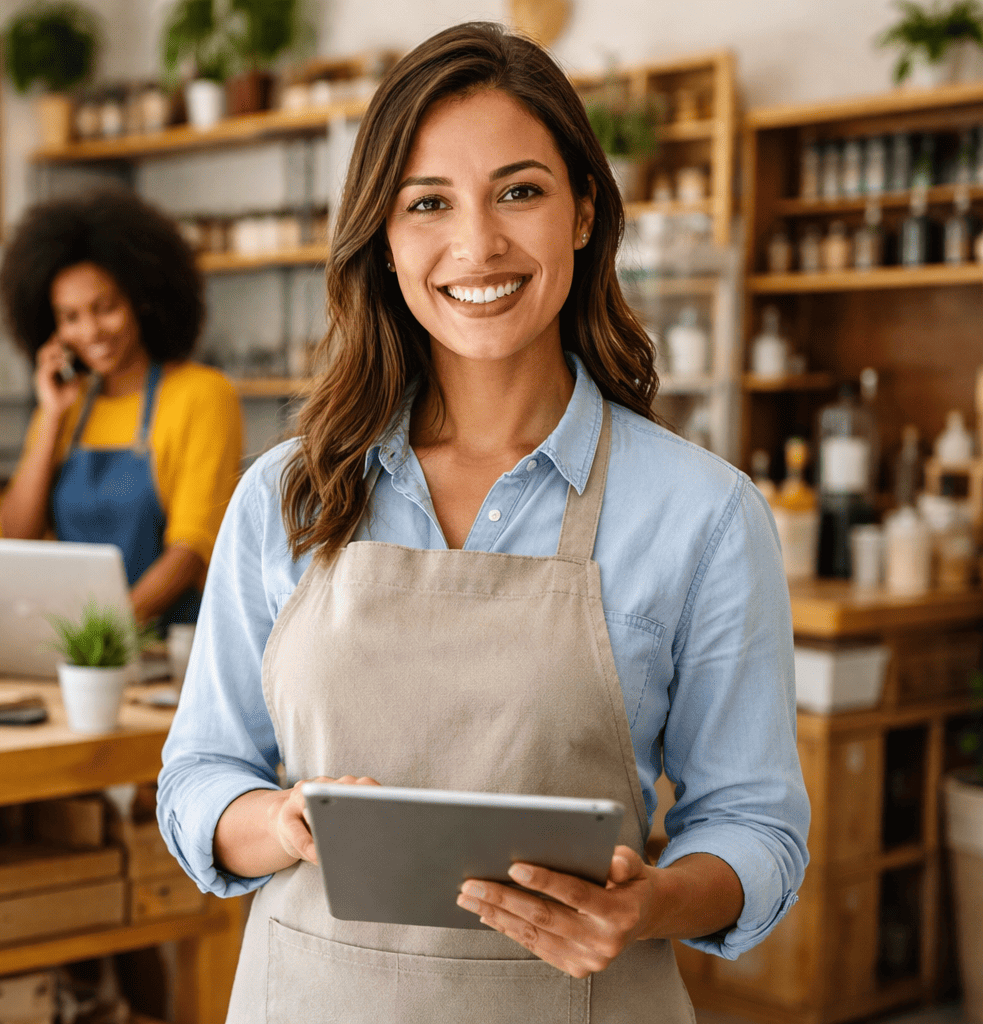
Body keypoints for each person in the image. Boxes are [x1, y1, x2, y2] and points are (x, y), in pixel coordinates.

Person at [157, 23, 809, 1022]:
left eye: (519, 190)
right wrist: (283, 824)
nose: (477, 245)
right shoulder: (285, 494)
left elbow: (755, 823)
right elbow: (201, 775)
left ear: (584, 210)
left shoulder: (704, 515)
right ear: (382, 234)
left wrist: (648, 905)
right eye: (428, 203)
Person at [0, 188, 243, 626]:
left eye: (104, 308)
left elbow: (191, 552)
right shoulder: (64, 408)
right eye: (70, 317)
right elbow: (17, 539)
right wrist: (51, 415)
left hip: (168, 649)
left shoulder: (202, 394)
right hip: (77, 644)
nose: (90, 331)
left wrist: (103, 636)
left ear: (141, 299)